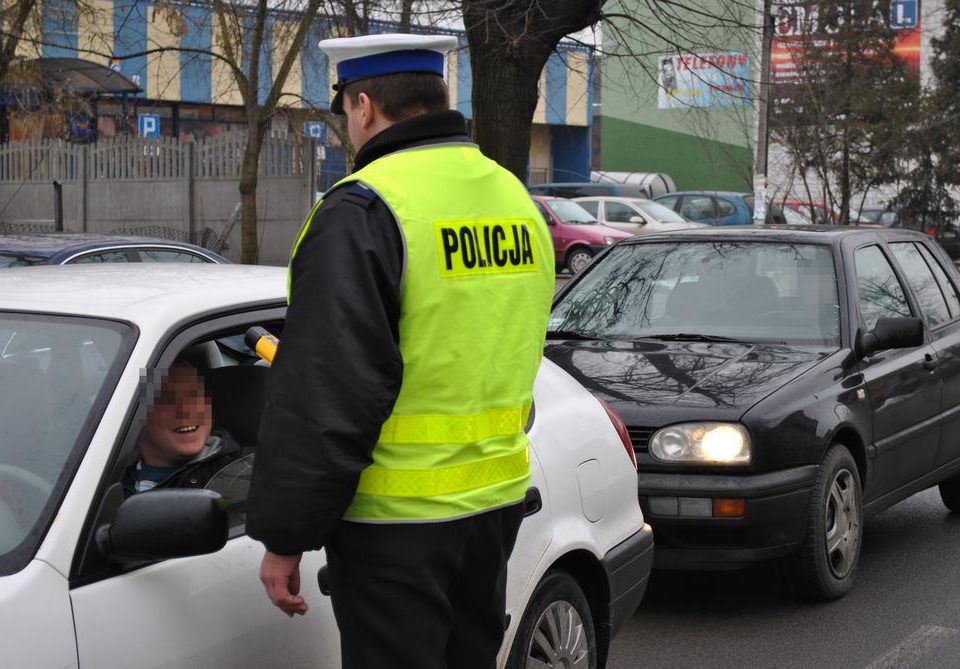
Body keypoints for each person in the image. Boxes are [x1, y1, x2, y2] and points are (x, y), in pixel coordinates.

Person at [246, 33, 555, 669]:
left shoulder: (366, 207)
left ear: (363, 106)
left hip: (396, 523)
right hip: (495, 505)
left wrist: (285, 537)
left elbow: (327, 393)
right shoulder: (512, 198)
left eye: (344, 116)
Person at [122, 359, 241, 495]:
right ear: (134, 413)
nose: (185, 411)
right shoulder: (102, 477)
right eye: (166, 400)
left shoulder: (240, 476)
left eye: (193, 395)